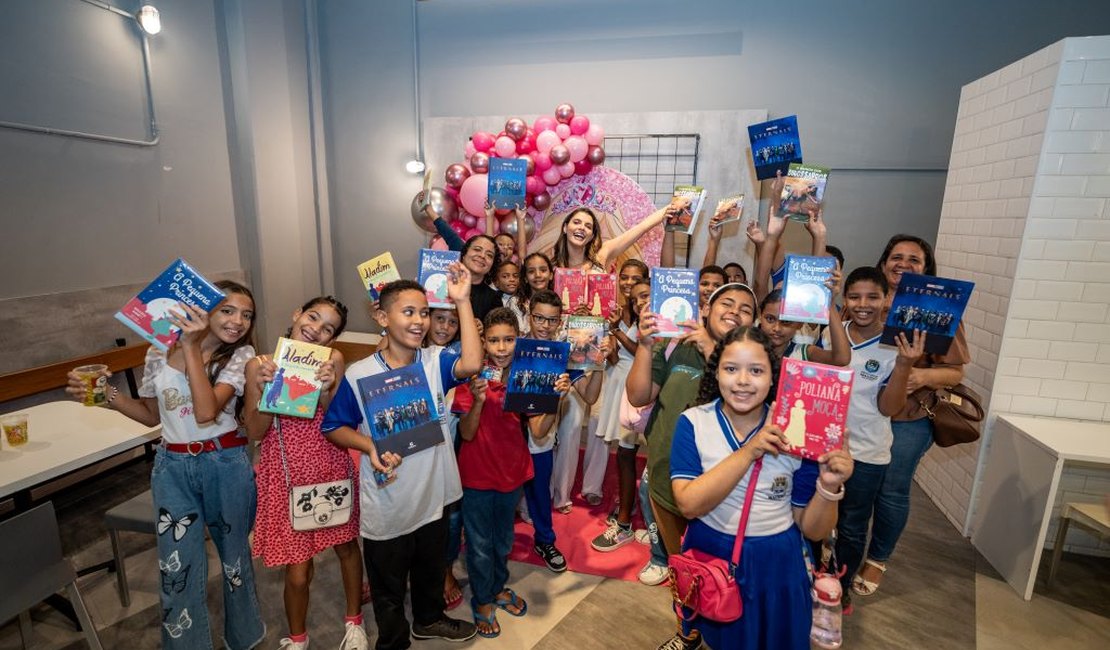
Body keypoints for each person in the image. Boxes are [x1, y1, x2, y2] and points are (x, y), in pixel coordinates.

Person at [67, 281, 264, 649]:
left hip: (225, 463)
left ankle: (245, 638)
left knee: (235, 560)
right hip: (172, 466)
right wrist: (105, 394)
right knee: (177, 567)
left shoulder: (242, 357)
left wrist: (190, 347)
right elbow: (149, 416)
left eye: (247, 314)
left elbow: (206, 412)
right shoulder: (158, 352)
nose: (238, 321)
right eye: (227, 310)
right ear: (202, 310)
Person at [321, 273, 482, 648]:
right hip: (389, 501)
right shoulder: (360, 374)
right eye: (408, 311)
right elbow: (333, 426)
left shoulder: (435, 361)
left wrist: (461, 299)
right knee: (388, 583)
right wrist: (367, 445)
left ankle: (428, 619)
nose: (419, 321)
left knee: (429, 568)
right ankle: (392, 640)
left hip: (432, 494)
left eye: (424, 312)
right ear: (382, 317)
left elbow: (472, 362)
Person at [668, 326, 853, 650]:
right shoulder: (694, 423)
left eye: (755, 370)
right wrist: (750, 450)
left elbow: (812, 528)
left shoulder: (798, 432)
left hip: (778, 563)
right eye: (731, 369)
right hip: (713, 556)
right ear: (717, 372)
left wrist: (828, 487)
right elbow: (688, 504)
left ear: (773, 378)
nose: (742, 381)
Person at [244, 296, 368, 650]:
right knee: (297, 570)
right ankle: (297, 638)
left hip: (330, 466)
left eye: (328, 328)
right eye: (313, 317)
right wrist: (269, 389)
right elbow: (255, 431)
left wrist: (329, 388)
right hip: (285, 475)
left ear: (333, 338)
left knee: (346, 548)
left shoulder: (333, 361)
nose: (316, 329)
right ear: (296, 314)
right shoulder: (260, 365)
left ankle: (354, 622)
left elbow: (339, 420)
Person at [851, 235, 970, 596]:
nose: (903, 264)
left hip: (908, 416)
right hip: (859, 414)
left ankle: (877, 559)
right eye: (896, 257)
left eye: (914, 259)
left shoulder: (939, 307)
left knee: (891, 490)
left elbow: (955, 372)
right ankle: (844, 545)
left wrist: (920, 376)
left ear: (926, 268)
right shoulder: (866, 298)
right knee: (850, 483)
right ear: (884, 262)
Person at [453, 308, 569, 638]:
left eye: (508, 339)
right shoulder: (471, 376)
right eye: (494, 340)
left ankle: (498, 586)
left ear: (518, 340)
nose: (502, 347)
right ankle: (483, 599)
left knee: (502, 539)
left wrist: (555, 397)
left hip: (513, 471)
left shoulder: (525, 374)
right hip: (476, 474)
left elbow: (539, 430)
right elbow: (468, 433)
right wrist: (476, 401)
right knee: (478, 543)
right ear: (483, 342)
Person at [626, 283, 759, 560]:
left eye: (745, 310)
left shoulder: (756, 361)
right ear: (706, 309)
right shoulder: (675, 345)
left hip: (721, 490)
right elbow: (639, 396)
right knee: (681, 564)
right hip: (665, 477)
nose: (735, 311)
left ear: (753, 322)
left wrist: (710, 349)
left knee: (714, 572)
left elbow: (737, 399)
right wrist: (645, 344)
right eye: (727, 303)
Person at [829, 267, 925, 609]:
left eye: (872, 296)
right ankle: (812, 579)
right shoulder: (831, 334)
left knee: (853, 525)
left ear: (887, 300)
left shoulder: (895, 345)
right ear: (845, 299)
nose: (863, 304)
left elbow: (890, 409)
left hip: (866, 454)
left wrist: (903, 366)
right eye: (854, 296)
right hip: (821, 449)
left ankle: (839, 589)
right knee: (816, 520)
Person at [586, 264, 653, 550]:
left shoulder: (655, 321)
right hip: (623, 387)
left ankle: (640, 519)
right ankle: (626, 516)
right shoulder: (620, 312)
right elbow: (616, 359)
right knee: (624, 455)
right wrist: (605, 344)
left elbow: (643, 351)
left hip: (647, 392)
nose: (639, 299)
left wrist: (615, 330)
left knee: (643, 457)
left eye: (642, 290)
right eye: (625, 280)